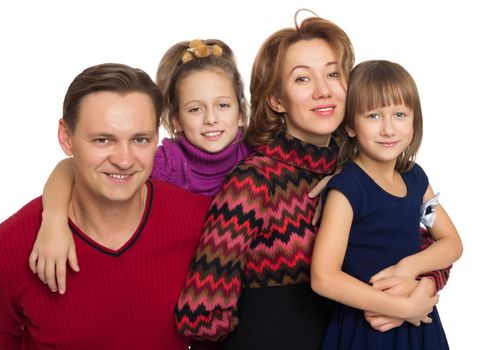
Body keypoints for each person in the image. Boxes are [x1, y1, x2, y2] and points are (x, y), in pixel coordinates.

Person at [173, 14, 452, 350]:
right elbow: (201, 311)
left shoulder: (357, 171)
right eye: (303, 79)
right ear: (277, 99)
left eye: (333, 74)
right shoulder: (256, 180)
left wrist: (421, 289)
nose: (324, 90)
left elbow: (425, 243)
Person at [0, 63, 212, 349]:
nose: (124, 160)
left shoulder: (201, 223)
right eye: (103, 140)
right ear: (67, 138)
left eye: (140, 139)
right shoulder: (3, 252)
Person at [28, 39, 251, 295]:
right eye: (195, 109)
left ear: (241, 112)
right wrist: (54, 220)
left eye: (223, 105)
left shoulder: (258, 155)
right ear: (175, 119)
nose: (211, 118)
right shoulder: (164, 163)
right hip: (183, 289)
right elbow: (69, 167)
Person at [310, 60, 463, 349]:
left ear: (414, 120)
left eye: (400, 114)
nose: (388, 129)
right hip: (366, 329)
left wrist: (410, 268)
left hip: (418, 327)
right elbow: (323, 277)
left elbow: (452, 243)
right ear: (351, 126)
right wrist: (403, 309)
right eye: (373, 116)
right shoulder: (347, 189)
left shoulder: (416, 179)